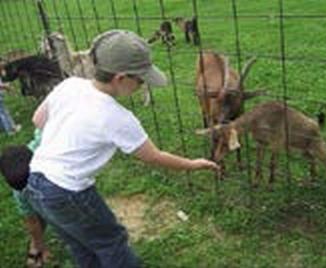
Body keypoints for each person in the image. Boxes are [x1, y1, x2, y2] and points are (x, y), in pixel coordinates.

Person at [23, 29, 219, 268]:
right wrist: (193, 164)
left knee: (79, 243)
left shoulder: (71, 85)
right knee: (111, 242)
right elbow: (154, 157)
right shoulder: (117, 117)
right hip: (69, 191)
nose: (142, 84)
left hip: (35, 181)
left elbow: (38, 120)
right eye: (140, 80)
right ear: (121, 78)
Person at [0, 129, 51, 268]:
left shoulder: (44, 143)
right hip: (46, 198)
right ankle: (35, 246)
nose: (27, 189)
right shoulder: (20, 191)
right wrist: (41, 247)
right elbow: (31, 221)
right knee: (38, 217)